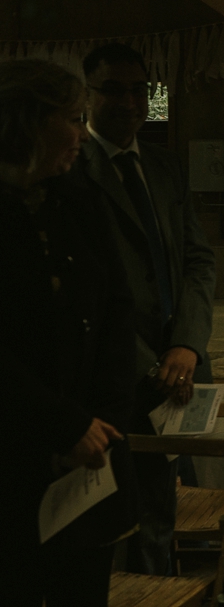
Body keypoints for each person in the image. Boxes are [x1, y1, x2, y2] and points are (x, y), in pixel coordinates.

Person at [0, 59, 138, 605]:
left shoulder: (79, 198)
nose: (83, 135)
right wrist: (64, 425)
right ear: (32, 123)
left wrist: (104, 421)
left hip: (91, 460)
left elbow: (117, 311)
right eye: (74, 119)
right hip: (16, 456)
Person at [78, 43, 216, 575]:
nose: (130, 102)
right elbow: (89, 294)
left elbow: (199, 261)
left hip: (176, 370)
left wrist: (186, 344)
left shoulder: (162, 166)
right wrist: (152, 364)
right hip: (113, 377)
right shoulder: (74, 171)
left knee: (161, 510)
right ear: (88, 94)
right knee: (113, 521)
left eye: (140, 89)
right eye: (113, 88)